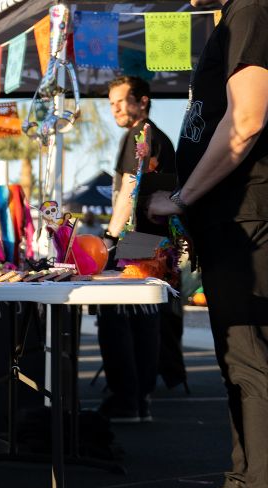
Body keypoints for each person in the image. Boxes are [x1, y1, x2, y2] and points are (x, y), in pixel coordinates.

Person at [148, 0, 268, 488]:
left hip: (250, 213)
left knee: (253, 359)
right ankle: (247, 487)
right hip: (228, 217)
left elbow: (246, 119)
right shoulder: (234, 15)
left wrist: (184, 196)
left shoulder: (255, 8)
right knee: (236, 361)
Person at [98, 76, 178, 423]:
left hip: (135, 240)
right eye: (111, 102)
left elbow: (130, 188)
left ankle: (126, 400)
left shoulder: (141, 134)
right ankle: (139, 399)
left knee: (114, 319)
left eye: (120, 101)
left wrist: (109, 236)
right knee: (144, 321)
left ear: (141, 101)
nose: (114, 108)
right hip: (155, 243)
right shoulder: (155, 134)